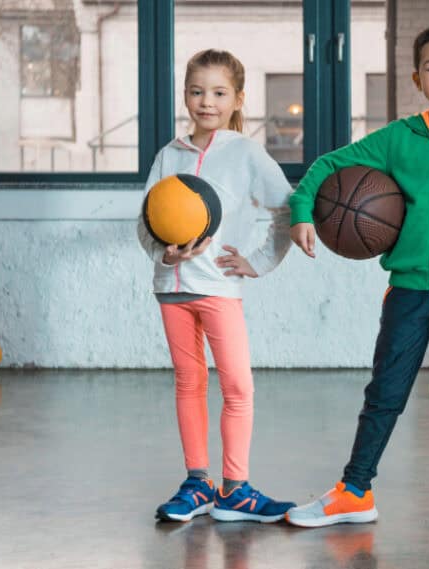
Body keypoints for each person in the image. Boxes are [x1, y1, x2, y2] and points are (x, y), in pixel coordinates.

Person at [285, 24, 429, 528]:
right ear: (417, 78)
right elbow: (328, 165)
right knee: (386, 392)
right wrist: (303, 210)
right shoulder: (399, 138)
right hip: (408, 290)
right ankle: (355, 490)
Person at [139, 48, 295, 523]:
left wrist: (259, 262)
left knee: (237, 386)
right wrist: (163, 254)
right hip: (172, 287)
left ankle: (236, 488)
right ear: (185, 95)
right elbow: (145, 221)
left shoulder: (247, 153)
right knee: (189, 383)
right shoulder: (169, 155)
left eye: (218, 92)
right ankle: (197, 483)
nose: (206, 101)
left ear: (237, 98)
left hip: (219, 289)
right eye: (196, 91)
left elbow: (287, 209)